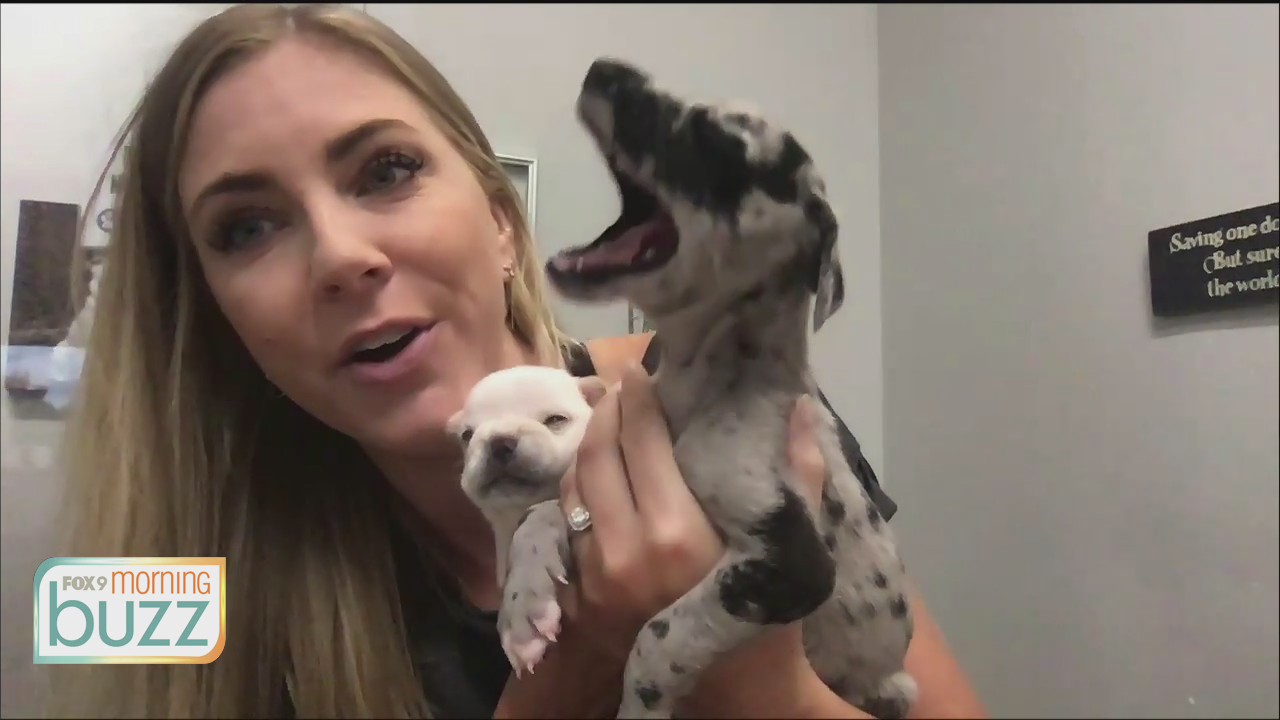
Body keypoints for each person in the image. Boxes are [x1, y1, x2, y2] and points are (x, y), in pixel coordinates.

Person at [49, 3, 988, 718]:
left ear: (502, 225)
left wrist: (750, 672)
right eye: (246, 226)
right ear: (215, 315)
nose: (340, 257)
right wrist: (572, 667)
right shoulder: (180, 576)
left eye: (385, 170)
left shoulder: (733, 406)